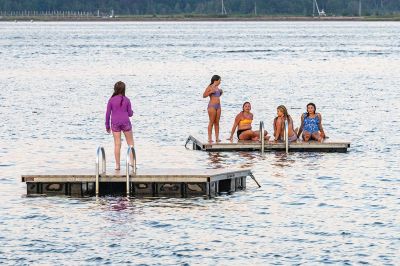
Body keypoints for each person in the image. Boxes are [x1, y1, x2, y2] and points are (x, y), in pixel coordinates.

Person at [105, 81, 134, 170]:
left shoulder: (111, 100)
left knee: (117, 144)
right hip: (125, 122)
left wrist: (107, 126)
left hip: (115, 123)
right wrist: (132, 112)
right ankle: (132, 163)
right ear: (124, 89)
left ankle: (117, 166)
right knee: (130, 144)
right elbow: (130, 114)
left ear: (115, 89)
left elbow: (107, 114)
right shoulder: (127, 100)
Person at [203, 75, 223, 143]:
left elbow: (217, 96)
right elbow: (204, 95)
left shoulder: (217, 87)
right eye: (219, 80)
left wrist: (220, 92)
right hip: (212, 106)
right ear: (216, 80)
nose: (220, 82)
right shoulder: (210, 87)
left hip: (218, 106)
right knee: (211, 122)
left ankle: (217, 138)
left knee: (217, 122)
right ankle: (209, 138)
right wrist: (210, 92)